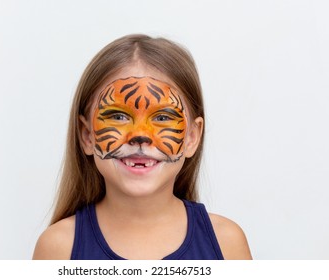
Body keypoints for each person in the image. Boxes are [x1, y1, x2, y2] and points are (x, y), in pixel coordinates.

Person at [33, 34, 252, 260]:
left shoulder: (226, 243)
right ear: (87, 135)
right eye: (118, 116)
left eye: (162, 117)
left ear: (191, 137)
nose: (140, 136)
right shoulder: (59, 247)